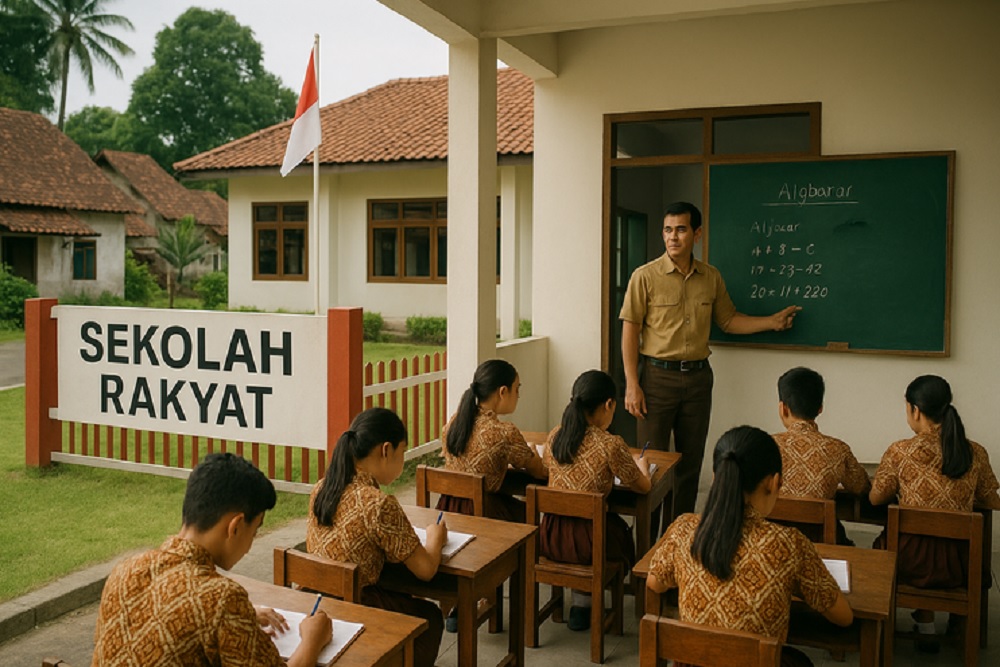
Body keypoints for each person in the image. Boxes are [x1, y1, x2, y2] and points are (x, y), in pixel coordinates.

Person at [620, 201, 801, 518]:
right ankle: (650, 544)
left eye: (680, 229)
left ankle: (680, 532)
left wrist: (771, 322)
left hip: (698, 380)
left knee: (690, 465)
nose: (672, 237)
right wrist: (632, 384)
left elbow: (729, 321)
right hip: (656, 379)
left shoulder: (711, 277)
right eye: (667, 230)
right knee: (652, 463)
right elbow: (629, 331)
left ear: (697, 233)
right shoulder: (644, 277)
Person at [92, 453, 332, 667]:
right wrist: (313, 639)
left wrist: (241, 618)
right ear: (235, 526)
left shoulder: (124, 570)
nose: (250, 545)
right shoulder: (222, 599)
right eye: (255, 530)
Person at [646, 426, 853, 667]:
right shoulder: (788, 544)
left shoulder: (684, 529)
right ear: (774, 482)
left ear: (715, 478)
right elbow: (843, 617)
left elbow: (654, 583)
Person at [307, 407, 447, 667]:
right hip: (357, 609)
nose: (403, 459)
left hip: (316, 601)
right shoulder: (378, 504)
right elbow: (426, 570)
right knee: (430, 617)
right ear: (386, 450)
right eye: (402, 451)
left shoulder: (322, 488)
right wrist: (435, 537)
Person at [869, 375, 1000, 653]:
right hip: (960, 567)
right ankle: (955, 622)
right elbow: (991, 500)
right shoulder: (975, 452)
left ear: (915, 410)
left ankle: (925, 625)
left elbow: (875, 497)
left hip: (909, 563)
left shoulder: (899, 451)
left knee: (893, 545)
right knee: (954, 544)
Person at [541, 369, 651, 631]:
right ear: (609, 404)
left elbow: (548, 467)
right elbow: (643, 487)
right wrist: (643, 466)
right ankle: (585, 600)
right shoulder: (611, 444)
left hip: (551, 537)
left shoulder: (555, 435)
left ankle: (581, 602)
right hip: (589, 544)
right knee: (618, 534)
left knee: (589, 526)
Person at [438, 359, 548, 522]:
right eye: (517, 389)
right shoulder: (504, 433)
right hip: (480, 513)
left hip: (448, 507)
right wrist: (538, 452)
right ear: (503, 391)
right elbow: (539, 471)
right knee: (526, 512)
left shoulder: (454, 423)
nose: (518, 395)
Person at [772, 367, 870, 545]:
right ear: (820, 408)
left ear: (783, 408)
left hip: (774, 542)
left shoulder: (764, 445)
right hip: (820, 545)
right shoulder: (838, 449)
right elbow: (862, 487)